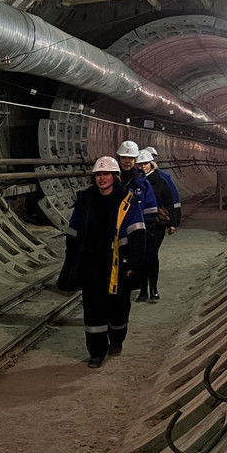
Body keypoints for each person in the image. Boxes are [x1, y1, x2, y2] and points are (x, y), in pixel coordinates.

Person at [57, 156, 146, 368]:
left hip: (118, 264)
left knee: (118, 307)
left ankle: (116, 339)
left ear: (114, 177)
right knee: (93, 307)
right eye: (98, 175)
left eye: (106, 174)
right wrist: (72, 260)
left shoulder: (127, 200)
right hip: (91, 265)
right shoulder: (85, 200)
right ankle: (96, 352)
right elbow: (73, 232)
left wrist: (134, 263)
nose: (101, 178)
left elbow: (138, 233)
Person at [135, 148, 175, 301]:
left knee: (151, 254)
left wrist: (172, 223)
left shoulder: (161, 182)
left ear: (151, 164)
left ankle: (153, 289)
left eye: (145, 163)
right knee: (141, 256)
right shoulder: (135, 181)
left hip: (156, 225)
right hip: (140, 224)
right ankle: (143, 291)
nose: (143, 167)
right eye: (140, 164)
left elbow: (169, 202)